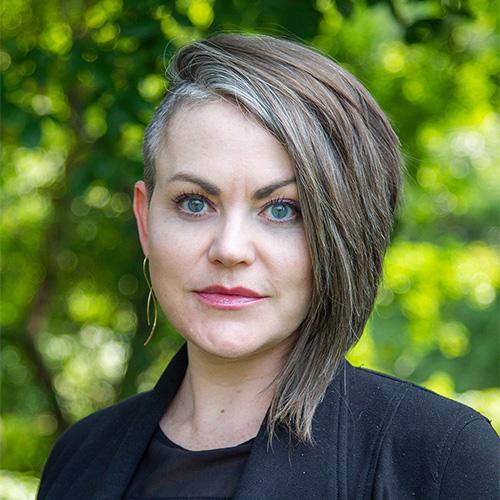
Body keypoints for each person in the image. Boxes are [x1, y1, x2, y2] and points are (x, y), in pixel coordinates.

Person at [37, 33, 498, 500]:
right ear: (145, 219)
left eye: (282, 209)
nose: (230, 249)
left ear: (343, 234)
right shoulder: (79, 457)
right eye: (194, 203)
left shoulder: (440, 460)